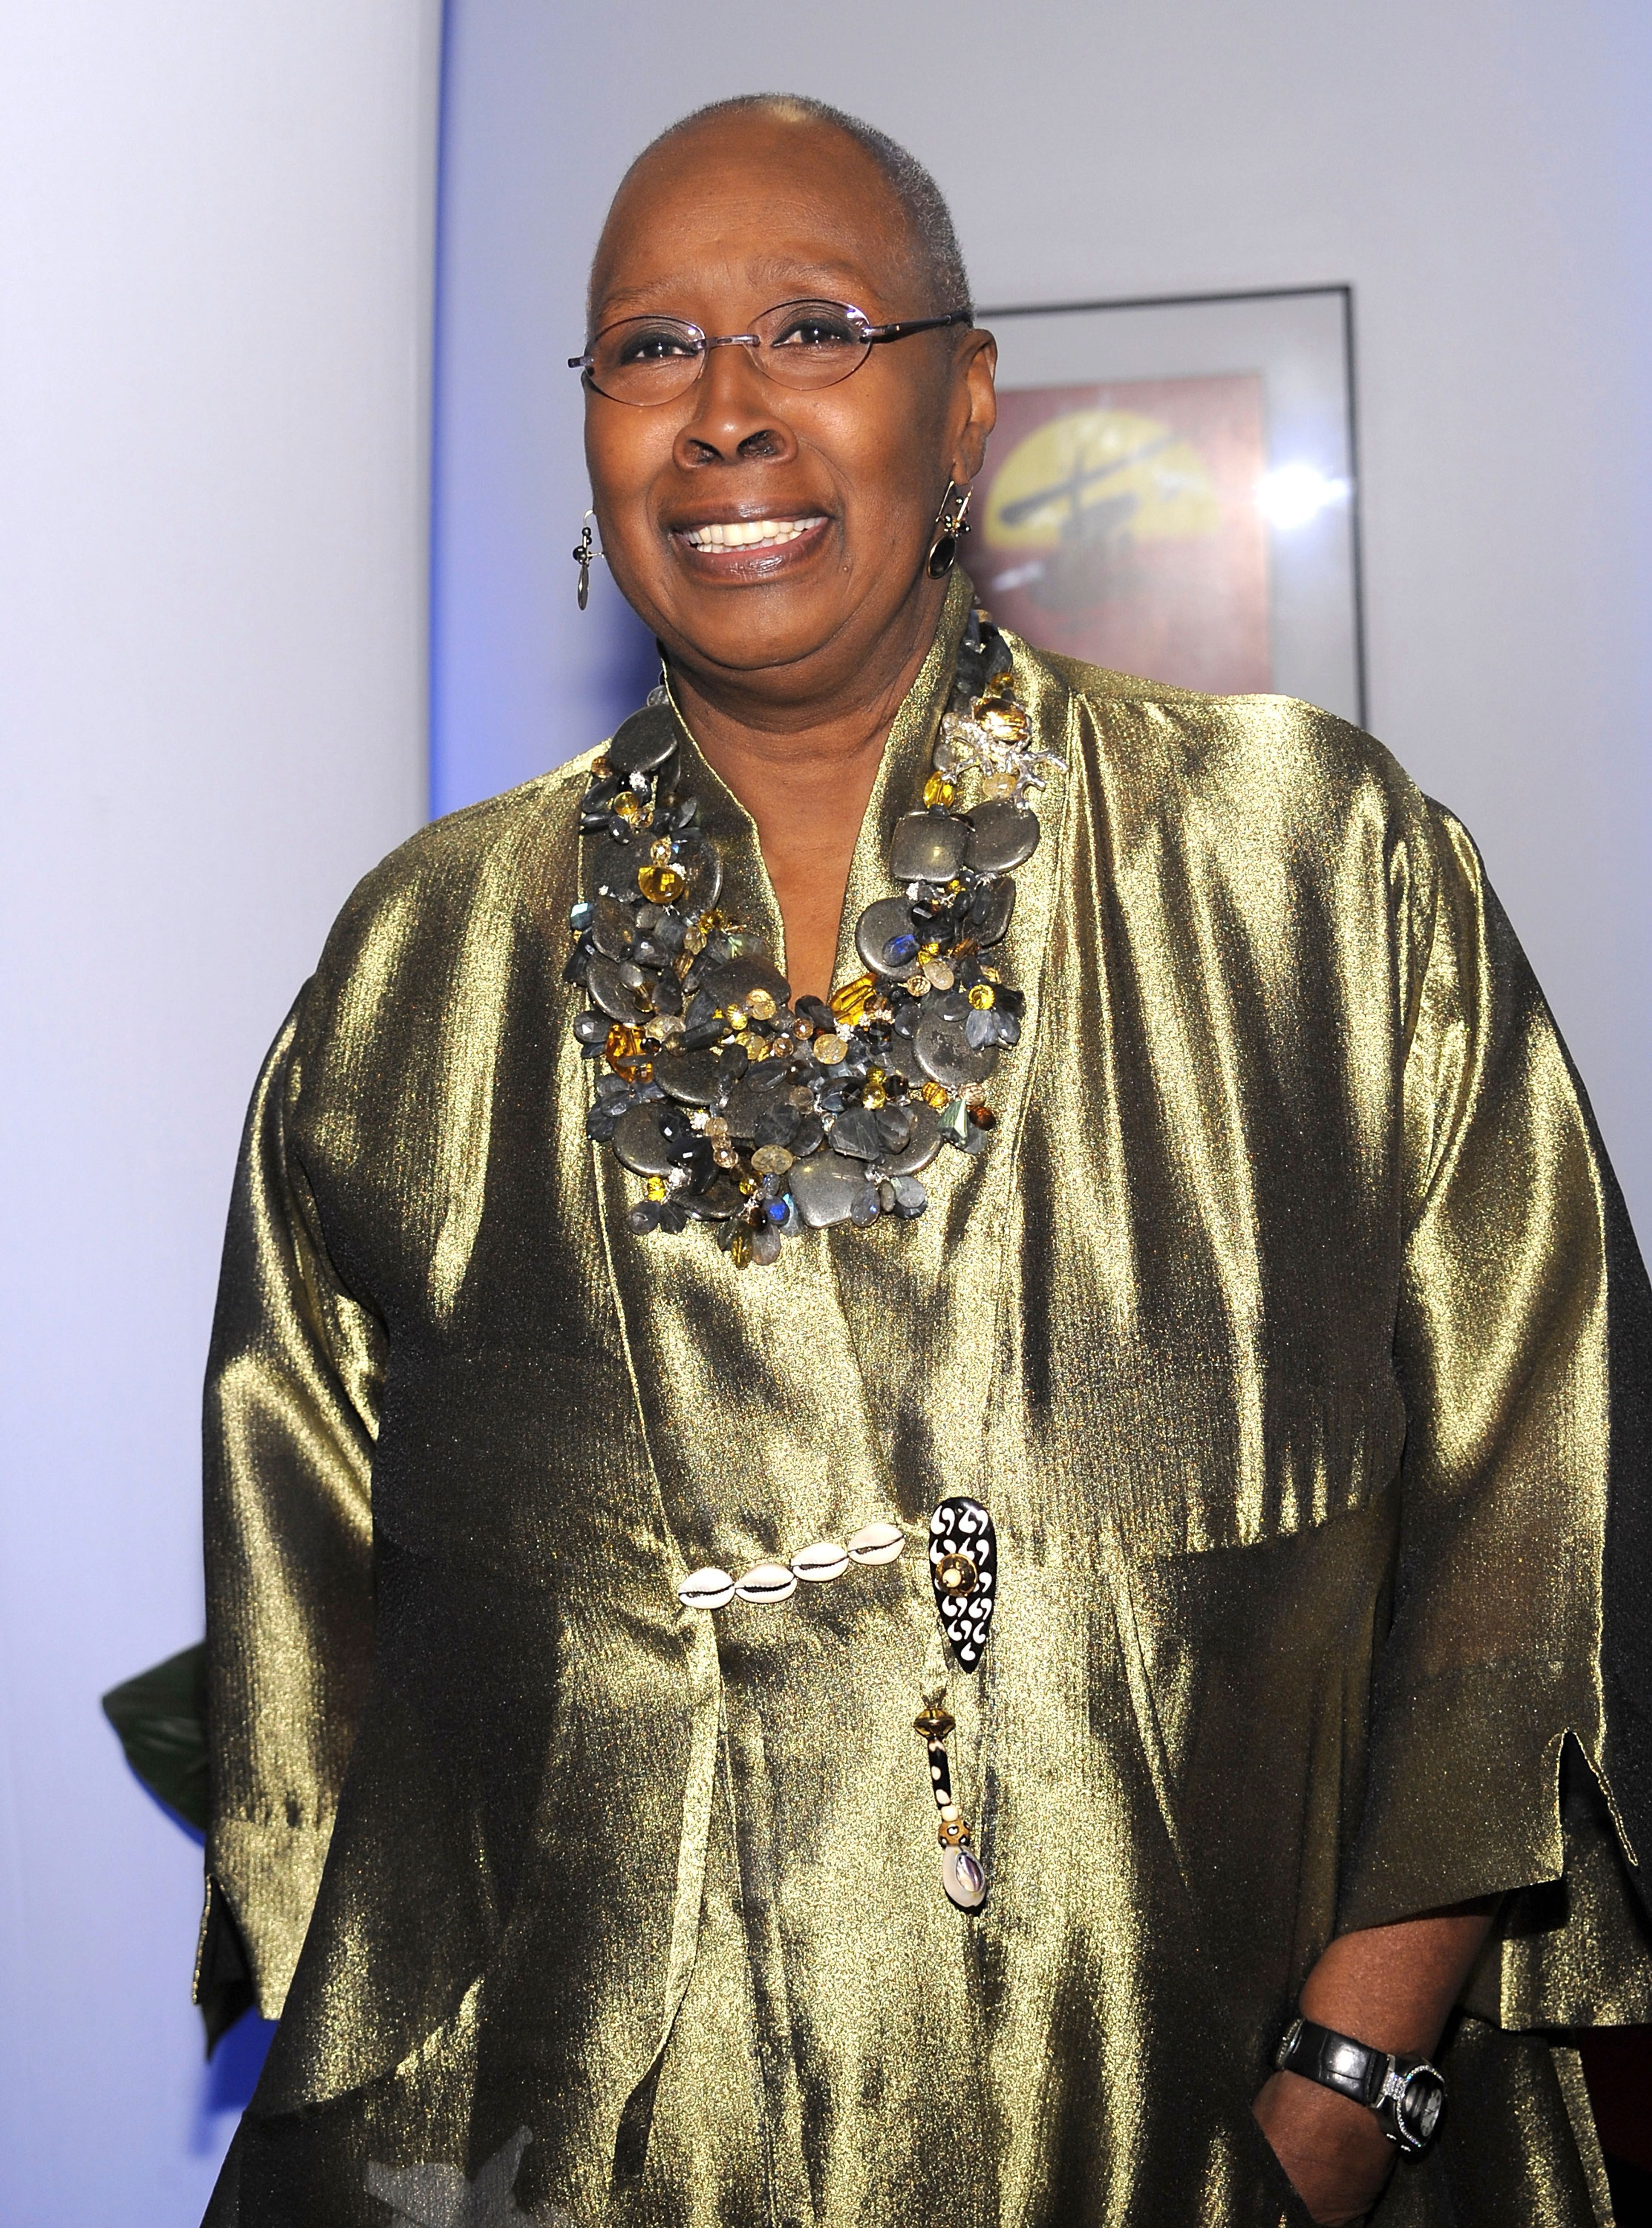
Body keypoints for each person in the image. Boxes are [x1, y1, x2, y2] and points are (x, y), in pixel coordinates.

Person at [199, 94, 1652, 2228]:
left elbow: (1547, 1511)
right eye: (651, 348)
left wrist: (1344, 2096)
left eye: (811, 325)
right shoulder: (422, 957)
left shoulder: (1316, 874)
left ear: (966, 406)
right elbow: (304, 1661)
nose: (723, 414)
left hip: (1194, 2126)